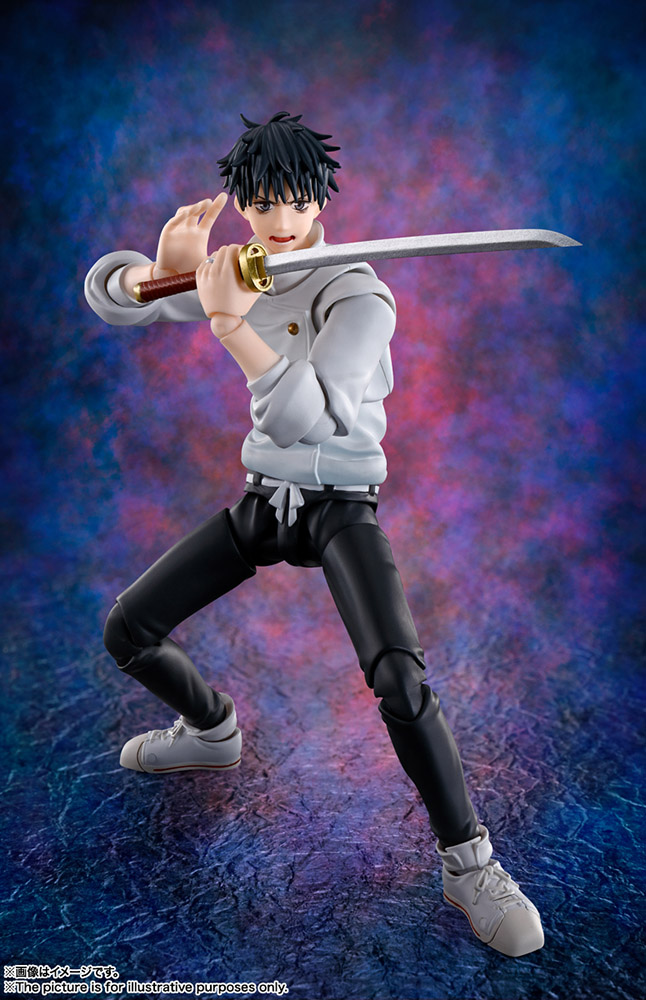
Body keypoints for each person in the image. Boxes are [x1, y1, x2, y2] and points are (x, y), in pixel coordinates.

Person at [85, 111, 544, 957]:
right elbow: (117, 303)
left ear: (320, 199)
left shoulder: (360, 294)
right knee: (128, 629)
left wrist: (229, 323)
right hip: (265, 501)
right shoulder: (246, 267)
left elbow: (307, 416)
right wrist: (162, 272)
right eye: (263, 203)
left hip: (339, 502)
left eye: (296, 201)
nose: (281, 219)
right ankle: (212, 731)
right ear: (245, 204)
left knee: (399, 678)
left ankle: (470, 864)